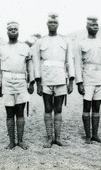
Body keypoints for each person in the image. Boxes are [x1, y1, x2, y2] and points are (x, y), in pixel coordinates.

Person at [32, 13, 75, 148]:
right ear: (47, 24)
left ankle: (58, 137)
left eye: (55, 23)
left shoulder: (65, 40)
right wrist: (38, 82)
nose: (52, 25)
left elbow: (70, 61)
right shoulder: (40, 41)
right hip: (46, 79)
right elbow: (36, 63)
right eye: (50, 23)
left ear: (58, 24)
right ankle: (49, 138)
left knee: (58, 108)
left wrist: (71, 81)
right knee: (47, 108)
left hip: (61, 79)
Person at [0, 21, 34, 150]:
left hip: (21, 82)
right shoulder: (1, 49)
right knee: (9, 113)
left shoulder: (25, 48)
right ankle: (12, 141)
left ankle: (21, 141)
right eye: (10, 29)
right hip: (7, 83)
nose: (13, 31)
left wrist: (31, 82)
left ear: (18, 31)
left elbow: (30, 67)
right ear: (7, 32)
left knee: (20, 112)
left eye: (15, 29)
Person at [74, 17, 101, 144]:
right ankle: (88, 136)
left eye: (97, 25)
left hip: (100, 78)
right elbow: (77, 64)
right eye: (92, 25)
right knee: (87, 107)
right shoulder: (81, 43)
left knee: (97, 108)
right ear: (87, 27)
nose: (95, 26)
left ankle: (95, 135)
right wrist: (79, 82)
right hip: (87, 78)